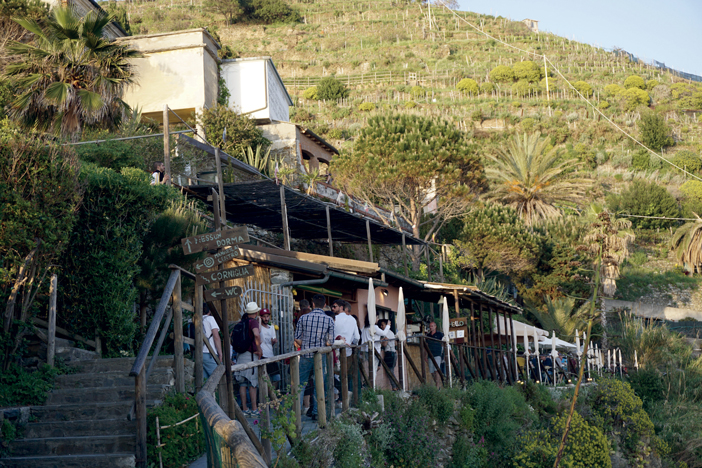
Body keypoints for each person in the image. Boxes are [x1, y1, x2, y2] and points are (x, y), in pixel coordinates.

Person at [294, 294, 334, 421]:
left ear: (313, 304)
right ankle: (318, 413)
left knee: (300, 385)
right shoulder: (329, 320)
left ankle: (296, 415)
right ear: (324, 305)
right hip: (320, 357)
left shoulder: (303, 318)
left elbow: (297, 339)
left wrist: (306, 344)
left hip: (305, 355)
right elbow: (330, 342)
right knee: (319, 385)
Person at [234, 302, 262, 416]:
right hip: (250, 355)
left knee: (242, 384)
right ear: (256, 312)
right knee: (252, 383)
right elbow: (256, 334)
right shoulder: (253, 322)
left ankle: (245, 409)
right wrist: (259, 349)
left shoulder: (241, 323)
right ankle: (254, 409)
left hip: (240, 355)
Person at [332, 299, 360, 399]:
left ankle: (338, 397)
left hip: (333, 352)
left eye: (334, 307)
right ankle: (344, 398)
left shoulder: (334, 319)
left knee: (332, 374)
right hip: (348, 352)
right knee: (345, 375)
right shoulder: (352, 319)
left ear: (341, 307)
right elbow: (357, 337)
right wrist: (353, 344)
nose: (332, 308)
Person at [259, 308, 280, 389]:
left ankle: (272, 394)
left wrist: (273, 341)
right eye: (264, 316)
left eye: (267, 316)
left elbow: (272, 341)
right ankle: (267, 395)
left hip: (271, 355)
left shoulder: (271, 328)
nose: (266, 318)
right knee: (264, 379)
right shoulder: (259, 328)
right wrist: (259, 321)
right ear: (261, 317)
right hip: (263, 356)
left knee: (276, 377)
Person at [202, 303, 222, 379]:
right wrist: (220, 353)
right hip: (209, 352)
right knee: (217, 377)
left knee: (205, 379)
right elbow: (216, 336)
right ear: (209, 311)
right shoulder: (210, 319)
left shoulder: (193, 320)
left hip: (198, 352)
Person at [379, 319, 398, 390]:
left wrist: (380, 342)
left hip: (389, 353)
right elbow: (395, 343)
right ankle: (396, 386)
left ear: (386, 325)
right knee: (391, 370)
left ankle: (395, 386)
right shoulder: (391, 332)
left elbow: (384, 344)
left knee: (390, 371)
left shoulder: (386, 333)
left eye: (382, 325)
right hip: (394, 352)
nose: (381, 326)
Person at [426, 321, 444, 389]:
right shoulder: (428, 335)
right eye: (430, 326)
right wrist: (425, 355)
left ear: (435, 326)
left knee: (436, 370)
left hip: (437, 354)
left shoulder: (439, 334)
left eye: (432, 326)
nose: (431, 327)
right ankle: (436, 383)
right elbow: (426, 345)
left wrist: (442, 352)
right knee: (431, 371)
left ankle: (437, 386)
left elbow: (443, 343)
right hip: (430, 354)